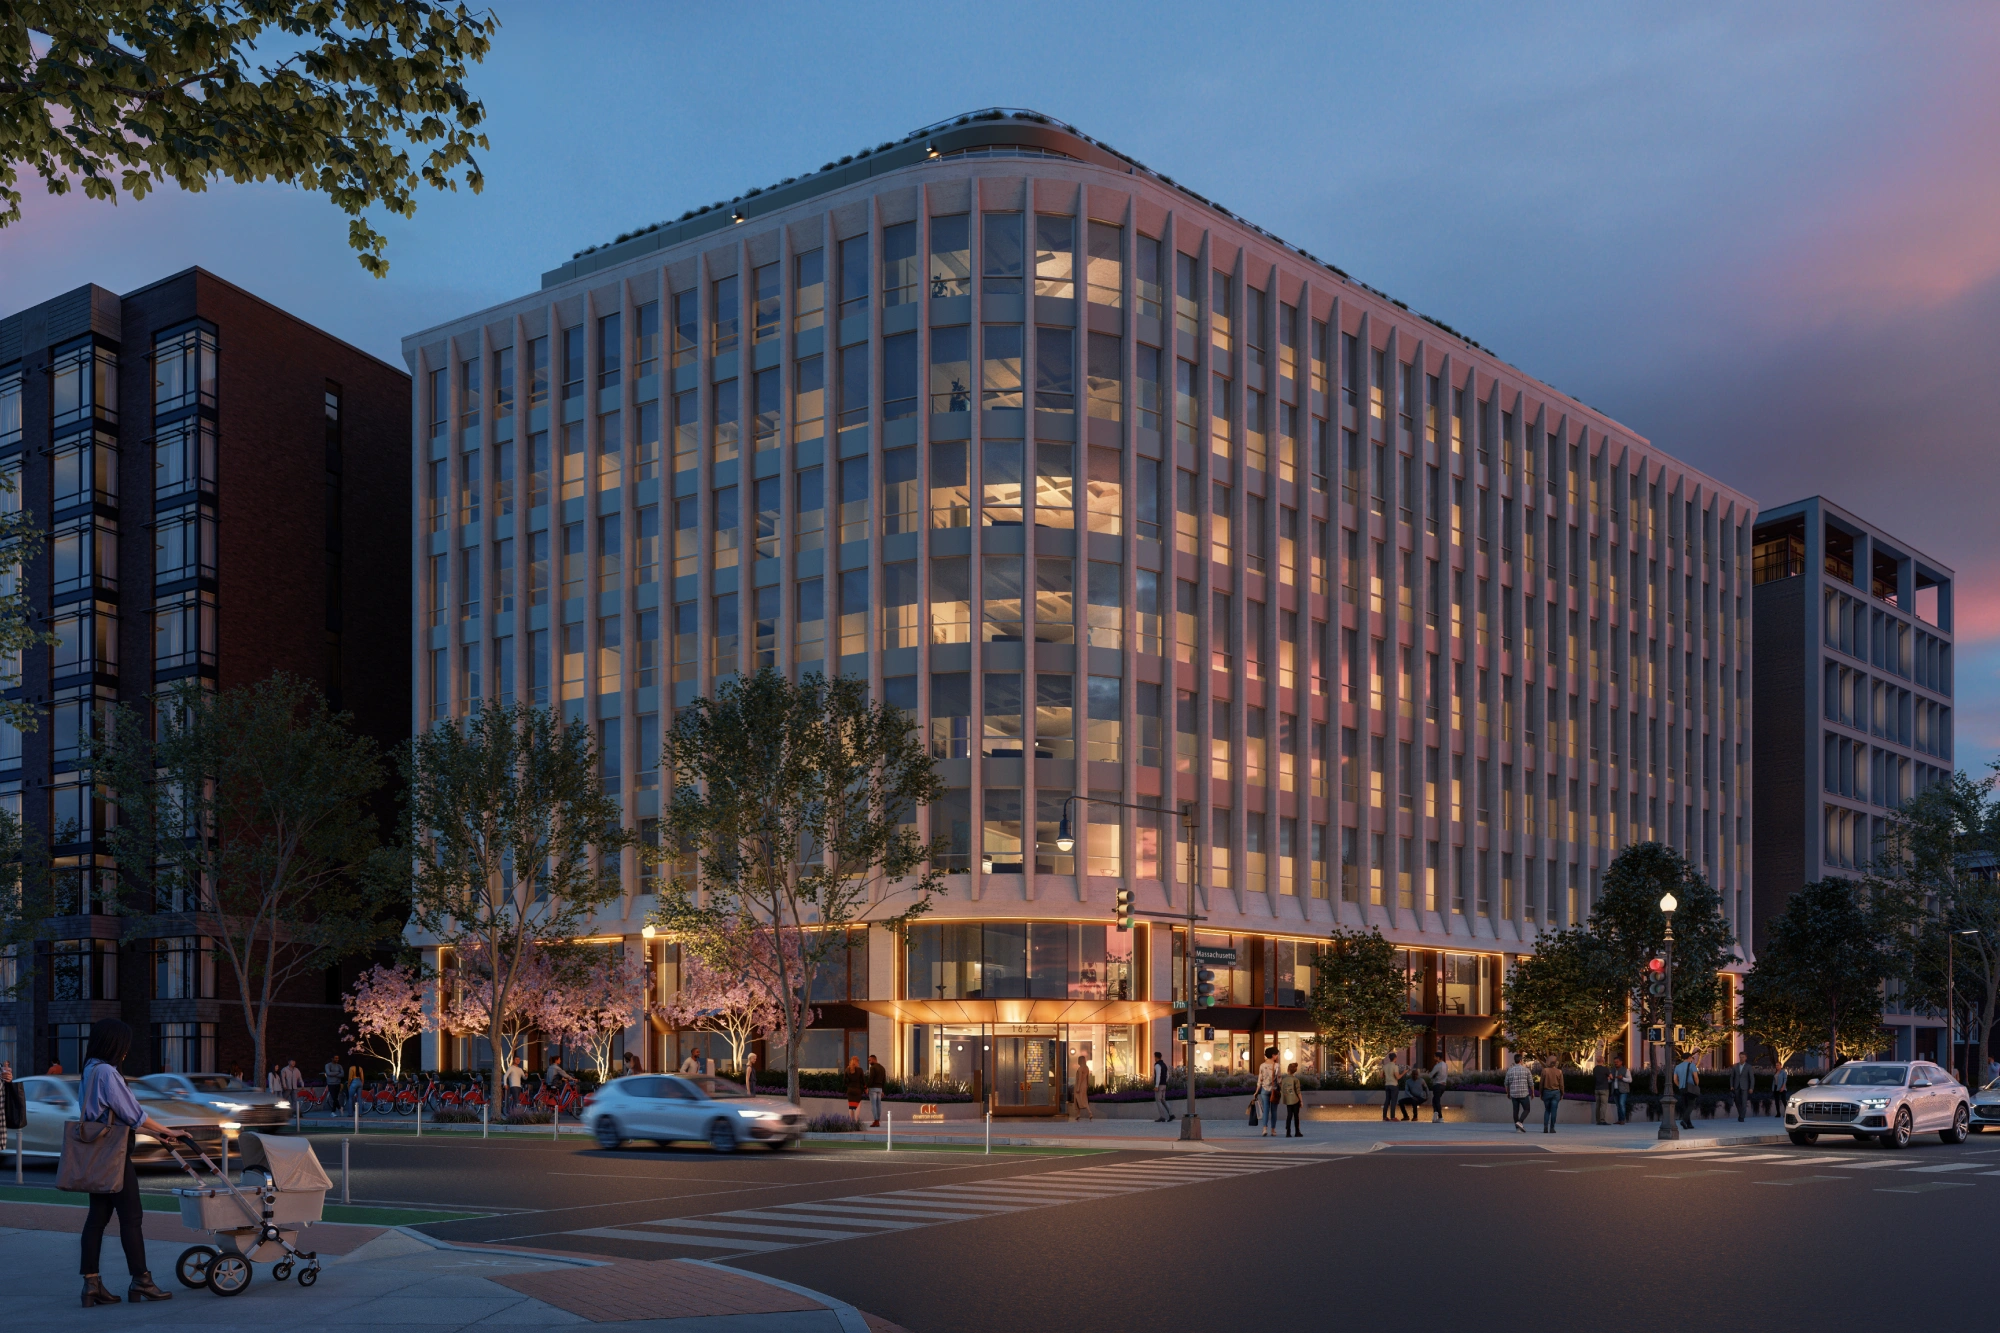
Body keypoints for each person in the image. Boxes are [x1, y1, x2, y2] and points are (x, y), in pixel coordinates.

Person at [76, 1020, 187, 1307]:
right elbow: (133, 1114)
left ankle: (91, 1285)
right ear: (113, 1043)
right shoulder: (107, 1072)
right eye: (124, 1045)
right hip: (114, 1156)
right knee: (131, 1218)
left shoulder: (89, 1069)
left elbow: (115, 1117)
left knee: (96, 1219)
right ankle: (141, 1280)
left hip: (97, 1154)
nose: (126, 1051)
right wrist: (168, 1130)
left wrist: (157, 1134)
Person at [1505, 1055, 1534, 1133]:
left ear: (1515, 1060)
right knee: (1527, 1109)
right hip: (1524, 1094)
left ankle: (1517, 1128)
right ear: (1521, 1060)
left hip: (1514, 1094)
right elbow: (1531, 1083)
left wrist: (1508, 1093)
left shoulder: (1510, 1070)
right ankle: (1520, 1122)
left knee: (1515, 1111)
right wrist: (1533, 1092)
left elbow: (1506, 1083)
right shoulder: (1526, 1070)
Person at [1257, 1047, 1281, 1136]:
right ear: (1273, 1055)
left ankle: (1264, 1129)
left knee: (1266, 1110)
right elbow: (1279, 1079)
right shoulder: (1277, 1065)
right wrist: (1282, 1089)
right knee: (1274, 1111)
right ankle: (1273, 1130)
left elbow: (1260, 1079)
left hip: (1264, 1090)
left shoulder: (1262, 1065)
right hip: (1274, 1090)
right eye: (1277, 1054)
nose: (1277, 1056)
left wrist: (1256, 1091)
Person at [1672, 1053, 1699, 1130]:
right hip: (1690, 1088)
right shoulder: (1692, 1066)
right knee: (1691, 1105)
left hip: (1682, 1088)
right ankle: (1684, 1121)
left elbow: (1675, 1079)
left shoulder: (1677, 1067)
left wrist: (1679, 1085)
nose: (1692, 1059)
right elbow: (1695, 1077)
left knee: (1685, 1106)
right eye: (1692, 1058)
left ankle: (1689, 1124)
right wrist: (1696, 1085)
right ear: (1689, 1057)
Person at [1538, 1057, 1564, 1134]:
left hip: (1546, 1092)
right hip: (1556, 1093)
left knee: (1547, 1110)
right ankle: (1552, 1128)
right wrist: (1562, 1093)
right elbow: (1561, 1085)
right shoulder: (1559, 1072)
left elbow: (1541, 1083)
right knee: (1554, 1111)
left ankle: (1545, 1127)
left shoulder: (1545, 1071)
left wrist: (1541, 1093)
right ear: (1555, 1064)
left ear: (1549, 1063)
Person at [1280, 1062, 1304, 1137]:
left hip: (1288, 1099)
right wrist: (1301, 1101)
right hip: (1295, 1099)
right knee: (1296, 1116)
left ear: (1288, 1070)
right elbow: (1298, 1091)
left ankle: (1288, 1131)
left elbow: (1282, 1089)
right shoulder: (1296, 1080)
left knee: (1289, 1115)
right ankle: (1297, 1131)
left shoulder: (1284, 1080)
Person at [1729, 1056, 1754, 1122]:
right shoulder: (1735, 1066)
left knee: (1744, 1102)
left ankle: (1742, 1117)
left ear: (1746, 1058)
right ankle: (1741, 1114)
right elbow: (1732, 1077)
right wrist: (1731, 1085)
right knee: (1737, 1101)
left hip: (1745, 1087)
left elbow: (1752, 1078)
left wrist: (1751, 1088)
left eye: (1743, 1057)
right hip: (1736, 1086)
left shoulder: (1748, 1067)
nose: (1741, 1058)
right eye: (1740, 1057)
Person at [1152, 1051, 1175, 1122]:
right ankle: (1171, 1114)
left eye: (1154, 1057)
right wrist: (1165, 1082)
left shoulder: (1157, 1065)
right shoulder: (1164, 1065)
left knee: (1158, 1100)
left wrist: (1156, 1086)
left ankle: (1162, 1116)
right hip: (1164, 1085)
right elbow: (1167, 1075)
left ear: (1156, 1057)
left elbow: (1158, 1075)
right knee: (1163, 1100)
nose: (1154, 1058)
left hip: (1159, 1085)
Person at [1379, 1054, 1403, 1122]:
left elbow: (1381, 1076)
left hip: (1387, 1084)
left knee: (1387, 1100)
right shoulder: (1395, 1066)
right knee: (1393, 1101)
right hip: (1394, 1085)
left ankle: (1384, 1116)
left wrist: (1387, 1076)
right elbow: (1398, 1077)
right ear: (1395, 1058)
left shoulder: (1385, 1066)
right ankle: (1392, 1117)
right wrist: (1404, 1073)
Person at [843, 1056, 866, 1127]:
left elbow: (844, 1081)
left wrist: (848, 1085)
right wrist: (865, 1088)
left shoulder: (847, 1070)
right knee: (857, 1106)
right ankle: (856, 1122)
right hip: (857, 1090)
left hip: (850, 1090)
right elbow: (863, 1081)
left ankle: (851, 1122)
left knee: (851, 1107)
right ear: (857, 1062)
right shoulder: (860, 1070)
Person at [1072, 1051, 1094, 1122]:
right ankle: (1088, 1112)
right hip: (1084, 1085)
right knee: (1084, 1099)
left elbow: (1080, 1078)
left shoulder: (1080, 1069)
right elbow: (1088, 1078)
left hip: (1079, 1085)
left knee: (1077, 1099)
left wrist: (1078, 1087)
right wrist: (1087, 1085)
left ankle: (1079, 1114)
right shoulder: (1087, 1068)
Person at [1610, 1056, 1632, 1125]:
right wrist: (1610, 1079)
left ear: (1621, 1062)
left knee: (1622, 1104)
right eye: (1615, 1062)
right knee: (1618, 1105)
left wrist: (1622, 1078)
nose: (1616, 1063)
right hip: (1615, 1090)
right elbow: (1609, 1081)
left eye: (1617, 1062)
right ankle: (1619, 1119)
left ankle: (1622, 1119)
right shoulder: (1612, 1070)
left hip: (1623, 1090)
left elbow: (1630, 1080)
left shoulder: (1626, 1070)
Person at [867, 1054, 887, 1127]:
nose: (869, 1062)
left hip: (873, 1088)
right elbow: (884, 1080)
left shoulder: (873, 1068)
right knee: (879, 1104)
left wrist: (867, 1087)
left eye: (870, 1060)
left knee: (874, 1105)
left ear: (874, 1059)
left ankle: (876, 1120)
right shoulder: (882, 1068)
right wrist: (883, 1090)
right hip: (880, 1088)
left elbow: (871, 1078)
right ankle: (878, 1120)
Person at [1428, 1051, 1448, 1123]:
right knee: (1435, 1100)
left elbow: (1430, 1075)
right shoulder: (1445, 1065)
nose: (1434, 1058)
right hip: (1443, 1085)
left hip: (1437, 1084)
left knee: (1436, 1100)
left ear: (1438, 1057)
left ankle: (1440, 1116)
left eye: (1435, 1056)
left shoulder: (1437, 1066)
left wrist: (1433, 1076)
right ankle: (1435, 1113)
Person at [1593, 1060, 1610, 1125]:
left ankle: (1598, 1120)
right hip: (1604, 1088)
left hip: (1597, 1089)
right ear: (1603, 1061)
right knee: (1603, 1105)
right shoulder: (1605, 1069)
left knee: (1598, 1105)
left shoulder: (1595, 1069)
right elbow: (1611, 1076)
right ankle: (1602, 1120)